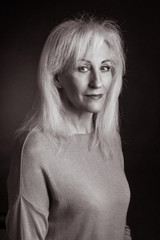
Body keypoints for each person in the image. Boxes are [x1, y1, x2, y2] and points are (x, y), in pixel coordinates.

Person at [6, 15, 132, 240]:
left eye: (105, 67)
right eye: (83, 68)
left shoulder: (109, 138)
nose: (98, 82)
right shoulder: (36, 148)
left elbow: (119, 227)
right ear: (56, 77)